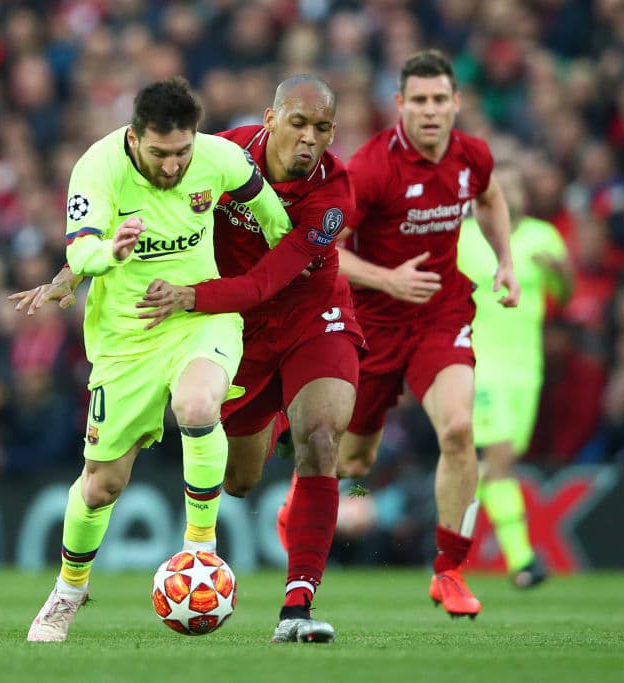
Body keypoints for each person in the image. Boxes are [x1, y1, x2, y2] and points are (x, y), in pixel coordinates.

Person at [19, 77, 291, 643]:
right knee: (101, 488)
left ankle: (200, 550)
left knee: (196, 404)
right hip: (125, 339)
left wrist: (288, 283)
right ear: (135, 138)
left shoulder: (219, 157)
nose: (173, 166)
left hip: (199, 317)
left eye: (182, 152)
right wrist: (109, 250)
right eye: (160, 153)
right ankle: (69, 590)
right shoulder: (97, 168)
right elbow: (80, 250)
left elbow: (276, 220)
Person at [135, 75, 364, 643]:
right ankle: (278, 417)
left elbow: (266, 282)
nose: (310, 139)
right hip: (238, 331)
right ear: (270, 117)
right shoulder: (220, 155)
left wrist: (189, 297)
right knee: (238, 481)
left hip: (312, 315)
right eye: (299, 123)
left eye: (323, 128)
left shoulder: (333, 195)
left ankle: (297, 606)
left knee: (323, 440)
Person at [334, 49, 520, 619]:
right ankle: (306, 497)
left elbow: (489, 198)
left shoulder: (472, 156)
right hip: (373, 323)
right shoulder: (369, 168)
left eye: (441, 99)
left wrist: (504, 261)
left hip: (441, 313)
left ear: (457, 102)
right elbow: (323, 251)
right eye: (419, 100)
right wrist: (387, 278)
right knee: (356, 462)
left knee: (459, 429)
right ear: (400, 106)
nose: (431, 110)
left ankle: (450, 571)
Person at [456, 165, 573, 588]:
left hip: (529, 368)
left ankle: (444, 524)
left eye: (514, 185)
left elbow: (567, 294)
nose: (507, 194)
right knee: (500, 461)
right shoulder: (462, 237)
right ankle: (522, 561)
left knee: (497, 465)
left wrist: (559, 271)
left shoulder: (544, 236)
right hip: (481, 363)